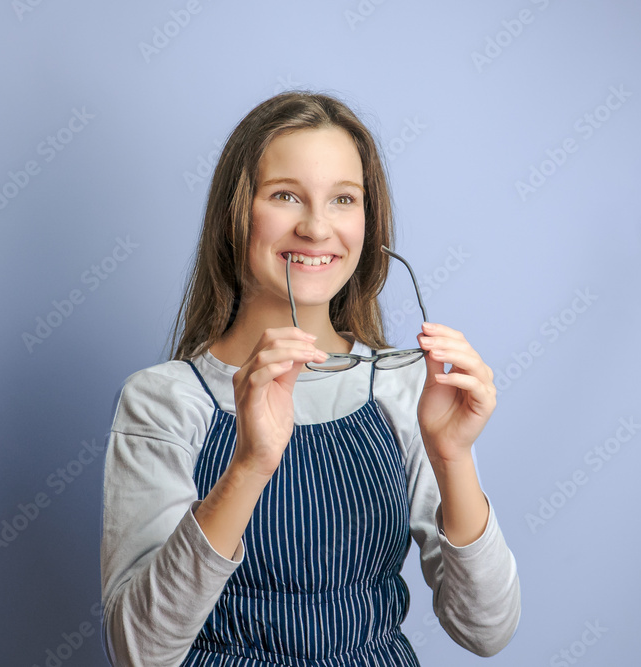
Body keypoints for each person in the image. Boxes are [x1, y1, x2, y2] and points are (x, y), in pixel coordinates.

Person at [99, 91, 521, 666]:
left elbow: (487, 630)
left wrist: (452, 456)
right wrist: (250, 466)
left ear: (368, 225)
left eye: (343, 199)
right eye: (285, 196)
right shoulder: (164, 401)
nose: (317, 227)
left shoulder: (402, 390)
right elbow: (139, 652)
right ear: (236, 213)